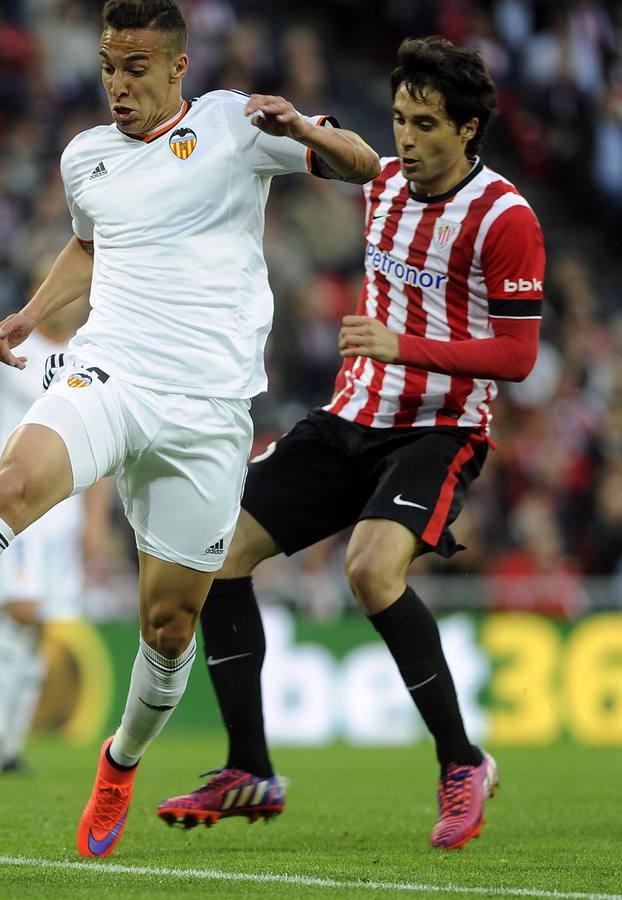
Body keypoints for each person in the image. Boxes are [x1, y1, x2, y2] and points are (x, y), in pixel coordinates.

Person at [0, 0, 379, 859]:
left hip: (210, 411)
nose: (118, 85)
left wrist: (301, 121)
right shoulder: (85, 157)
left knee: (168, 627)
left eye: (137, 68)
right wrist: (30, 313)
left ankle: (119, 763)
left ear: (178, 67)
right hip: (112, 371)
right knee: (10, 484)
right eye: (109, 67)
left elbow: (363, 165)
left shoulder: (236, 125)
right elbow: (90, 249)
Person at [158, 37, 542, 851]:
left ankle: (462, 761)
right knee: (217, 555)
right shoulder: (388, 181)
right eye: (401, 118)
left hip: (438, 429)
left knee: (369, 571)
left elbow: (517, 357)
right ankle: (249, 769)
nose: (408, 137)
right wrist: (298, 124)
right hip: (349, 417)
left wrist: (403, 347)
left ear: (468, 129)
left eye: (426, 123)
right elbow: (357, 154)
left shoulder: (505, 218)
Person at [0, 297, 112, 775]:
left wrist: (94, 518)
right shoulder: (3, 344)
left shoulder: (92, 351)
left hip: (65, 508)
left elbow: (109, 433)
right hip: (10, 499)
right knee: (21, 612)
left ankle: (5, 744)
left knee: (41, 624)